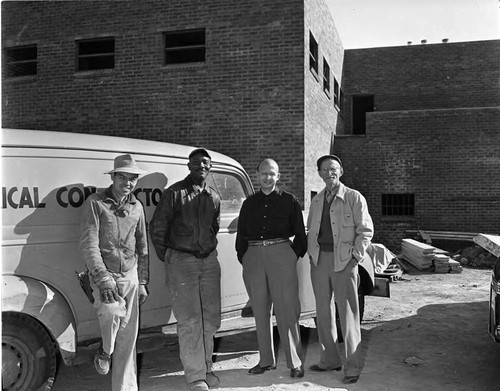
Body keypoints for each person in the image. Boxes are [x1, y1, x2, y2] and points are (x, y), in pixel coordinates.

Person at [149, 148, 221, 391]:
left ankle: (207, 367)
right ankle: (196, 377)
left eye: (206, 162)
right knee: (190, 320)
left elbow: (214, 226)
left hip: (209, 262)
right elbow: (158, 229)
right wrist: (171, 258)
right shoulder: (174, 194)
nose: (202, 166)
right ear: (189, 166)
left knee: (210, 319)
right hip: (182, 262)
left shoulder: (213, 196)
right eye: (197, 162)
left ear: (210, 167)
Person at [80, 154, 149, 391]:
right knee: (110, 312)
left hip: (130, 275)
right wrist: (103, 279)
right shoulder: (96, 203)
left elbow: (143, 246)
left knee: (128, 338)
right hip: (105, 274)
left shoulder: (137, 207)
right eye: (123, 177)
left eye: (133, 179)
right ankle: (104, 350)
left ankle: (125, 389)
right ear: (113, 177)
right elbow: (89, 244)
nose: (128, 183)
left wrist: (142, 282)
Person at [236, 158, 307, 379]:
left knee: (287, 309)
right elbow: (241, 234)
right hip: (254, 256)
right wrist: (245, 256)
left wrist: (291, 254)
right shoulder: (249, 203)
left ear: (278, 176)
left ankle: (294, 362)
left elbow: (300, 235)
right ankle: (265, 360)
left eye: (272, 173)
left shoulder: (289, 201)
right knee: (260, 310)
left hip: (281, 253)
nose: (268, 177)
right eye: (264, 173)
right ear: (257, 175)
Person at [306, 154, 374, 385]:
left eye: (333, 169)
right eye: (324, 169)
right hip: (319, 262)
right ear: (319, 174)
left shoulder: (354, 198)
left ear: (341, 171)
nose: (329, 173)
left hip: (344, 261)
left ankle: (352, 366)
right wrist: (312, 258)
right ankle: (329, 360)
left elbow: (365, 231)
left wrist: (355, 258)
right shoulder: (316, 201)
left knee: (348, 314)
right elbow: (311, 231)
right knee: (323, 314)